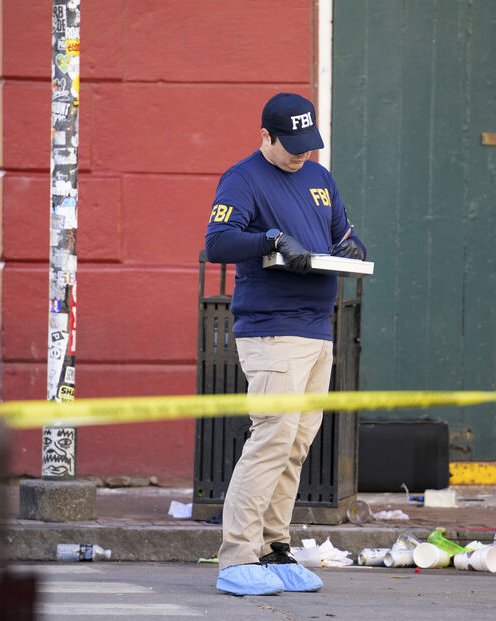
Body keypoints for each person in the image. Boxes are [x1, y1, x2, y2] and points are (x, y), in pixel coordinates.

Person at [204, 92, 367, 596]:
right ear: (265, 136)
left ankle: (274, 549)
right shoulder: (243, 178)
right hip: (272, 330)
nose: (301, 154)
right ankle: (236, 556)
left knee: (295, 446)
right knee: (271, 438)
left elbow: (344, 233)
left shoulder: (320, 178)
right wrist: (271, 239)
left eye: (308, 144)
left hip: (318, 330)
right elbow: (218, 243)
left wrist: (354, 248)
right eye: (291, 144)